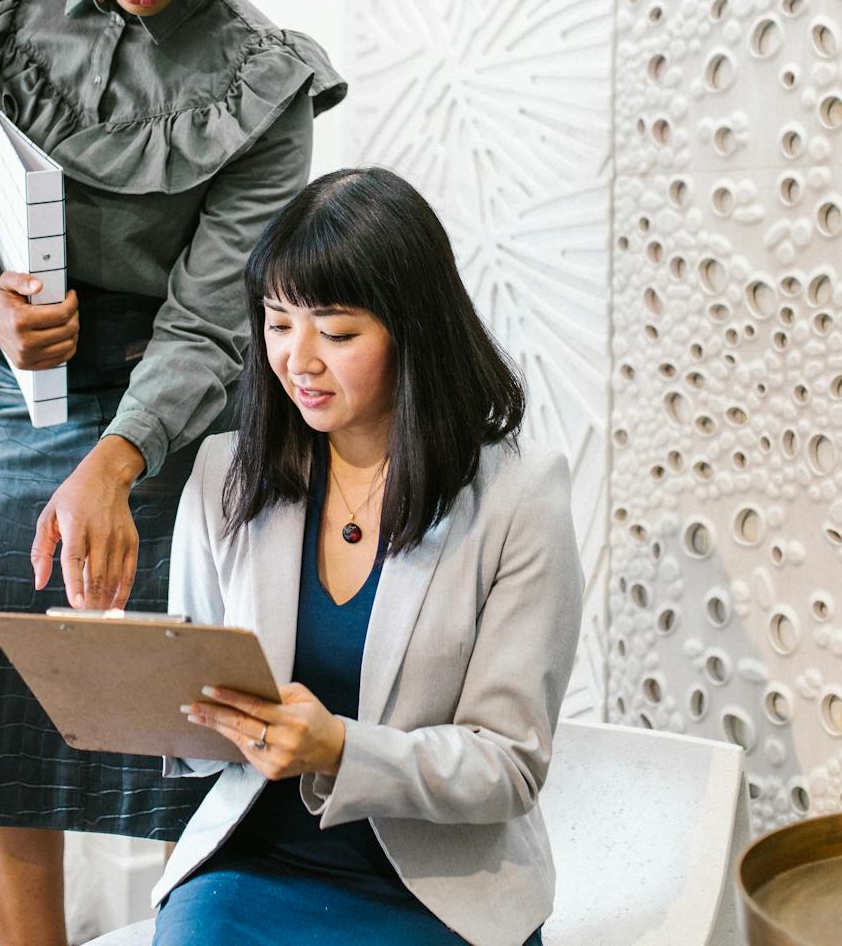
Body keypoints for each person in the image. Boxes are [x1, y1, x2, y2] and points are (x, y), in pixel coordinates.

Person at [0, 0, 345, 946]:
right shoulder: (3, 6)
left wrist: (118, 459)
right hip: (29, 391)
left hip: (193, 411)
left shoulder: (266, 88)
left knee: (185, 702)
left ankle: (188, 928)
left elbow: (215, 319)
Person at [153, 168, 582, 946]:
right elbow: (195, 703)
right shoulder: (227, 472)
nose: (298, 361)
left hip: (442, 891)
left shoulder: (520, 496)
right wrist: (128, 677)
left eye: (337, 332)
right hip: (254, 868)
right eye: (277, 324)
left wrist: (340, 748)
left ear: (413, 330)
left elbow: (510, 765)